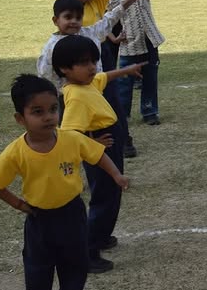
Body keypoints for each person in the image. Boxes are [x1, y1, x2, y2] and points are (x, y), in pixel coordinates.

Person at [0, 74, 129, 290]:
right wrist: (18, 204)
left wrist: (117, 175)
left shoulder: (71, 139)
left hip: (72, 215)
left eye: (53, 109)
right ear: (20, 118)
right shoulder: (16, 151)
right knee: (37, 271)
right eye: (37, 112)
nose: (48, 117)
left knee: (75, 266)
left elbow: (97, 154)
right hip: (39, 220)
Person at [53, 35, 144, 273]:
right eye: (84, 63)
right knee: (104, 197)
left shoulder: (86, 84)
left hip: (108, 141)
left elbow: (104, 77)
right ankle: (89, 251)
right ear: (64, 68)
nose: (92, 67)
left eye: (93, 61)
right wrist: (93, 143)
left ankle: (101, 236)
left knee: (112, 194)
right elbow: (69, 134)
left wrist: (126, 70)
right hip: (100, 148)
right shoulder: (76, 96)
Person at [109, 0, 172, 126]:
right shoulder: (116, 1)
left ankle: (150, 111)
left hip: (150, 43)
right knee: (124, 83)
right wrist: (113, 38)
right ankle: (123, 115)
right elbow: (104, 22)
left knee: (150, 79)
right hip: (129, 47)